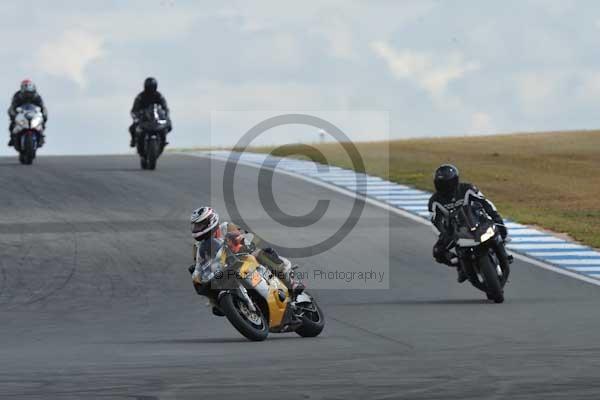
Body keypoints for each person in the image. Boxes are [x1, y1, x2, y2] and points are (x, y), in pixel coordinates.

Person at [188, 207, 304, 307]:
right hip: (223, 271)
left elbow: (249, 238)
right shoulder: (198, 247)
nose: (197, 228)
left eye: (201, 225)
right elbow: (199, 264)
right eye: (196, 226)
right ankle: (220, 302)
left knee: (260, 253)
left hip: (243, 258)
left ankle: (291, 283)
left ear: (211, 221)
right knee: (208, 285)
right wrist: (197, 274)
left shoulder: (226, 227)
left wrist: (240, 241)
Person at [427, 164, 509, 283]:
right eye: (442, 184)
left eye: (448, 183)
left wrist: (497, 218)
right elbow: (435, 221)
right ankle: (461, 265)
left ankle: (503, 252)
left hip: (478, 221)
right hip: (455, 229)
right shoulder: (434, 201)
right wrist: (444, 233)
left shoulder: (467, 189)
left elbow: (485, 202)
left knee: (501, 231)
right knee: (438, 252)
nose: (446, 187)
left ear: (455, 181)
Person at [129, 77, 171, 147]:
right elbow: (134, 109)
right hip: (144, 118)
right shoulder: (140, 96)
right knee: (132, 128)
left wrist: (166, 115)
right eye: (149, 87)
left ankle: (163, 140)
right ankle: (134, 141)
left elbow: (165, 106)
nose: (150, 89)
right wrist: (136, 116)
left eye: (152, 87)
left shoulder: (159, 95)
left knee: (168, 125)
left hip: (156, 118)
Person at [7, 79, 48, 147]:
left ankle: (41, 136)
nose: (27, 90)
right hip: (21, 114)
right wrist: (13, 114)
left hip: (33, 114)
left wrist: (43, 114)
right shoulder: (17, 96)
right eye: (25, 87)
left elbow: (42, 106)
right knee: (12, 124)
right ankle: (12, 138)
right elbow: (12, 107)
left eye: (29, 87)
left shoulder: (37, 96)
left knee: (41, 121)